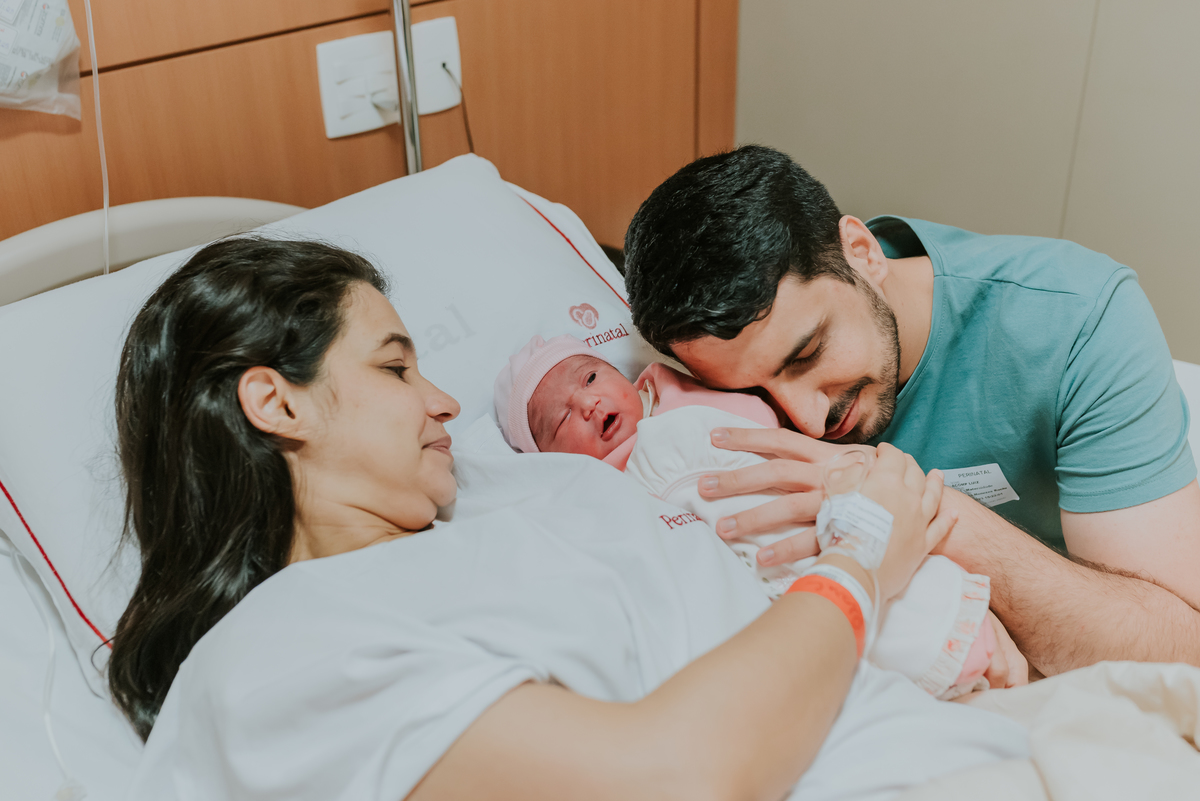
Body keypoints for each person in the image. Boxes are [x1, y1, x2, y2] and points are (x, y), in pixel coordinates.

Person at [113, 237, 1027, 801]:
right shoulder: (278, 654)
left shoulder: (515, 490)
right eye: (395, 369)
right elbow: (673, 779)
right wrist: (864, 557)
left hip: (978, 750)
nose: (443, 402)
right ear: (276, 403)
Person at [622, 145, 1200, 678]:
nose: (807, 420)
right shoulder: (697, 401)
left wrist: (933, 515)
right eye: (758, 393)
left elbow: (1176, 647)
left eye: (808, 354)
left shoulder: (1076, 320)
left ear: (862, 253)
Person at [494, 333, 1023, 697]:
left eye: (589, 379)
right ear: (552, 460)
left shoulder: (681, 411)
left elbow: (765, 437)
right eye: (560, 418)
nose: (585, 404)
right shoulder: (600, 489)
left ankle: (954, 630)